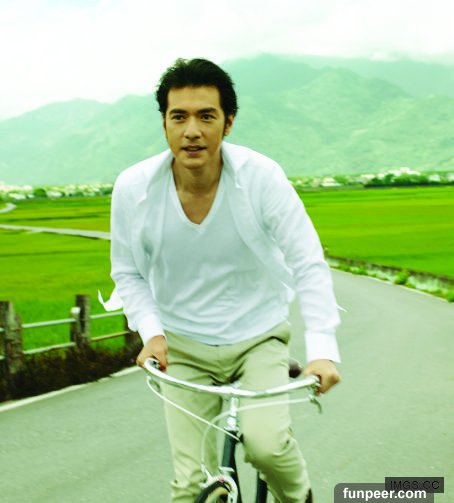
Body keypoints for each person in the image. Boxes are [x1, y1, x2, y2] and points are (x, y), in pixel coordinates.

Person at [107, 58, 341, 503]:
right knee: (189, 485)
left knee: (267, 447)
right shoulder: (134, 188)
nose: (192, 131)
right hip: (183, 346)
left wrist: (323, 351)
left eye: (206, 116)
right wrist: (152, 334)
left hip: (258, 338)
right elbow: (127, 271)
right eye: (179, 117)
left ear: (228, 123)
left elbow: (307, 261)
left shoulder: (261, 177)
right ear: (164, 123)